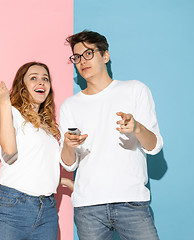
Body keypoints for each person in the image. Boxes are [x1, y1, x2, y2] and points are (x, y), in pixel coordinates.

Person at [59, 30, 163, 240]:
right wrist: (68, 146)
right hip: (88, 208)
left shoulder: (135, 90)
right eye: (77, 57)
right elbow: (69, 164)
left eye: (88, 54)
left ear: (105, 55)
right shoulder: (70, 106)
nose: (82, 61)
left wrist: (137, 128)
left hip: (131, 202)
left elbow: (155, 146)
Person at [0, 62, 60, 240]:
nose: (41, 82)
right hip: (13, 207)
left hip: (47, 210)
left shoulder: (48, 127)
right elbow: (9, 150)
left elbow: (36, 162)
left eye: (45, 79)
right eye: (33, 78)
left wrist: (63, 180)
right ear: (22, 85)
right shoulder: (10, 113)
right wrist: (4, 101)